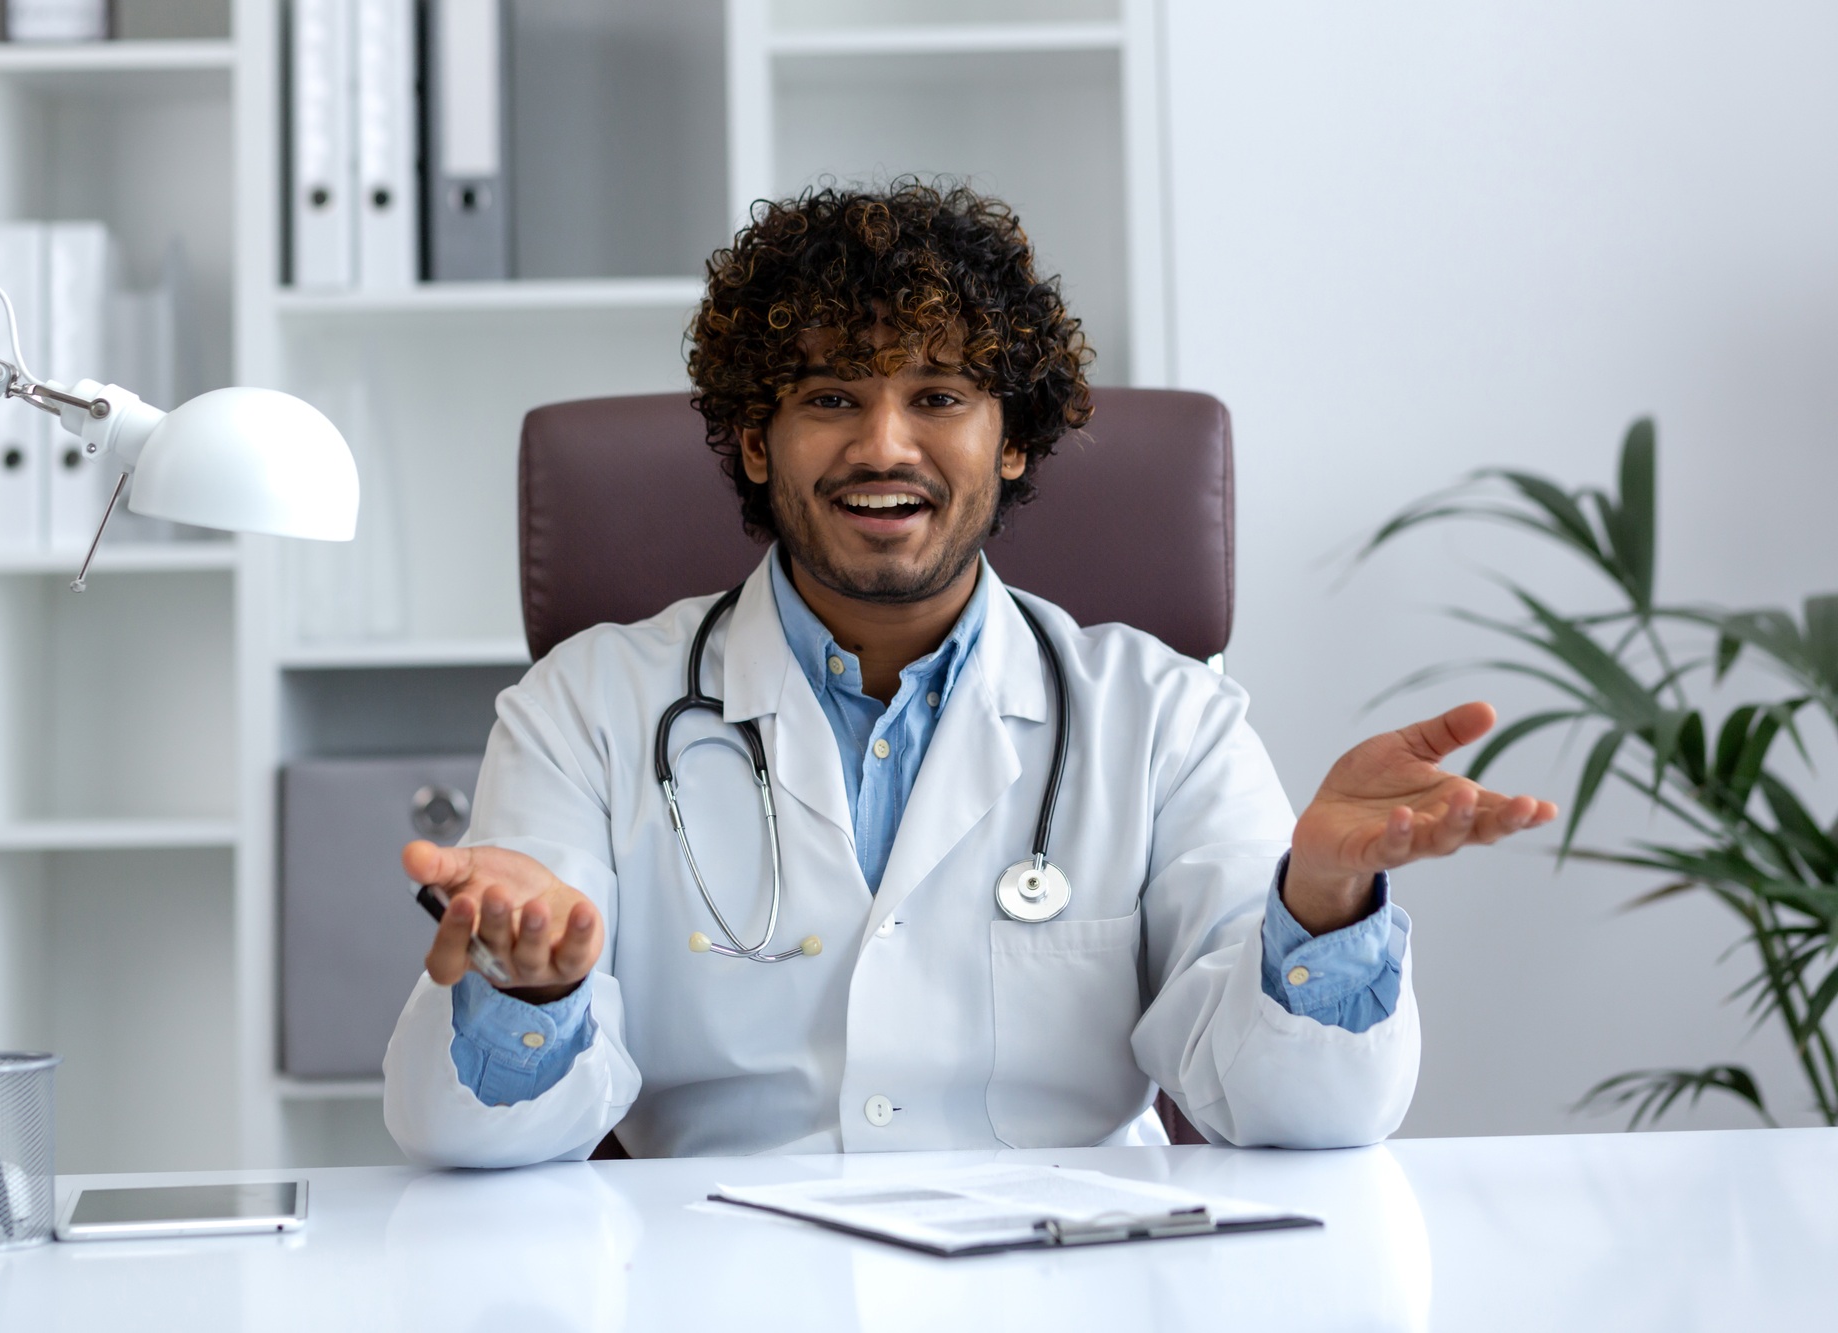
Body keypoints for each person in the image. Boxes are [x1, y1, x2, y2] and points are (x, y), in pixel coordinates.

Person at [382, 181, 1556, 1166]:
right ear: (754, 441)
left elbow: (1305, 1115)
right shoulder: (584, 711)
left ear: (1012, 437)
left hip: (1067, 1285)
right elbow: (480, 1144)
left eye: (936, 397)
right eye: (828, 396)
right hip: (725, 1284)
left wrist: (1321, 907)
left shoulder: (1166, 718)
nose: (882, 444)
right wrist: (531, 990)